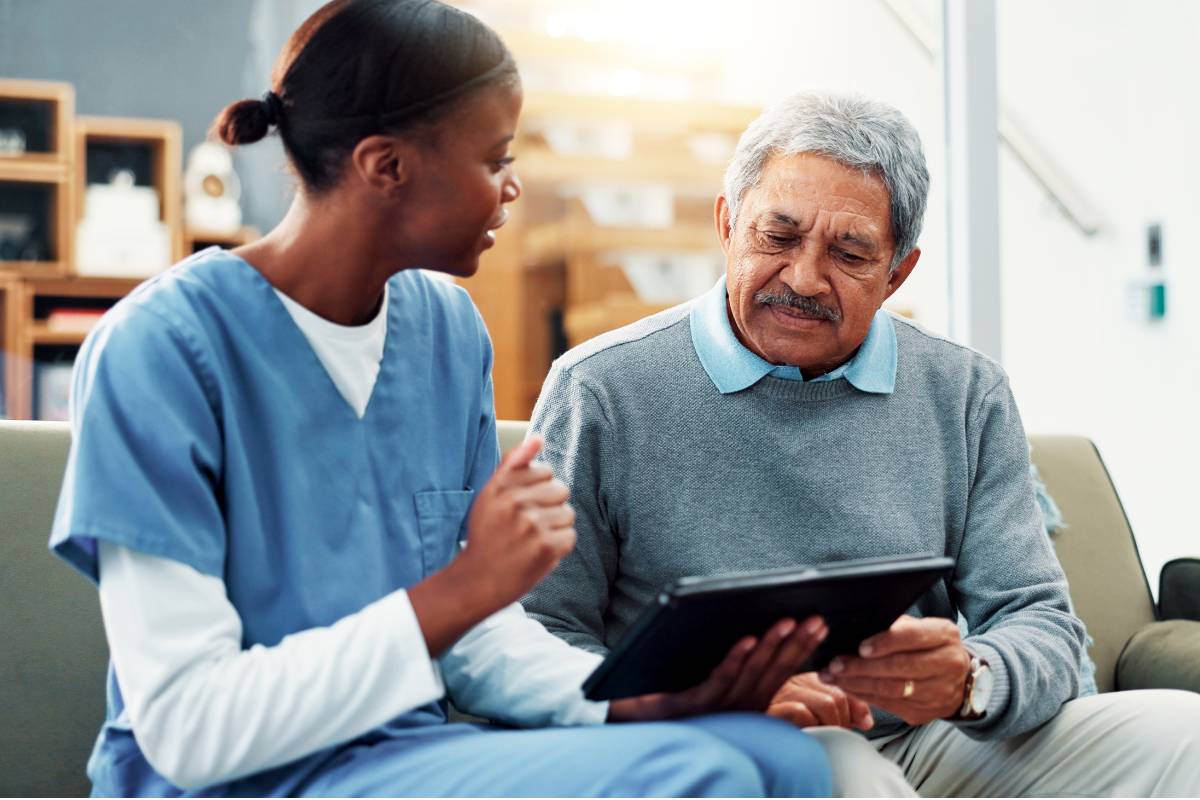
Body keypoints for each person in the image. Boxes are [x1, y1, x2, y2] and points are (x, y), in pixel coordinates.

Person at [47, 3, 835, 796]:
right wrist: (460, 589)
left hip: (404, 759)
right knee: (699, 774)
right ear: (386, 167)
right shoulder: (161, 348)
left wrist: (633, 699)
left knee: (783, 758)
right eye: (495, 158)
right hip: (236, 780)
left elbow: (475, 642)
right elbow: (190, 729)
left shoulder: (447, 332)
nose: (513, 186)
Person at [524, 91, 1200, 796]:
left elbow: (1042, 626)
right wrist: (701, 699)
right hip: (713, 748)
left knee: (1184, 732)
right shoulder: (600, 389)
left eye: (849, 254)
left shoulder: (965, 393)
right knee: (841, 768)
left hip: (928, 740)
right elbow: (533, 633)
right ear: (727, 224)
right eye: (778, 237)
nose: (804, 278)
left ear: (897, 273)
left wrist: (971, 680)